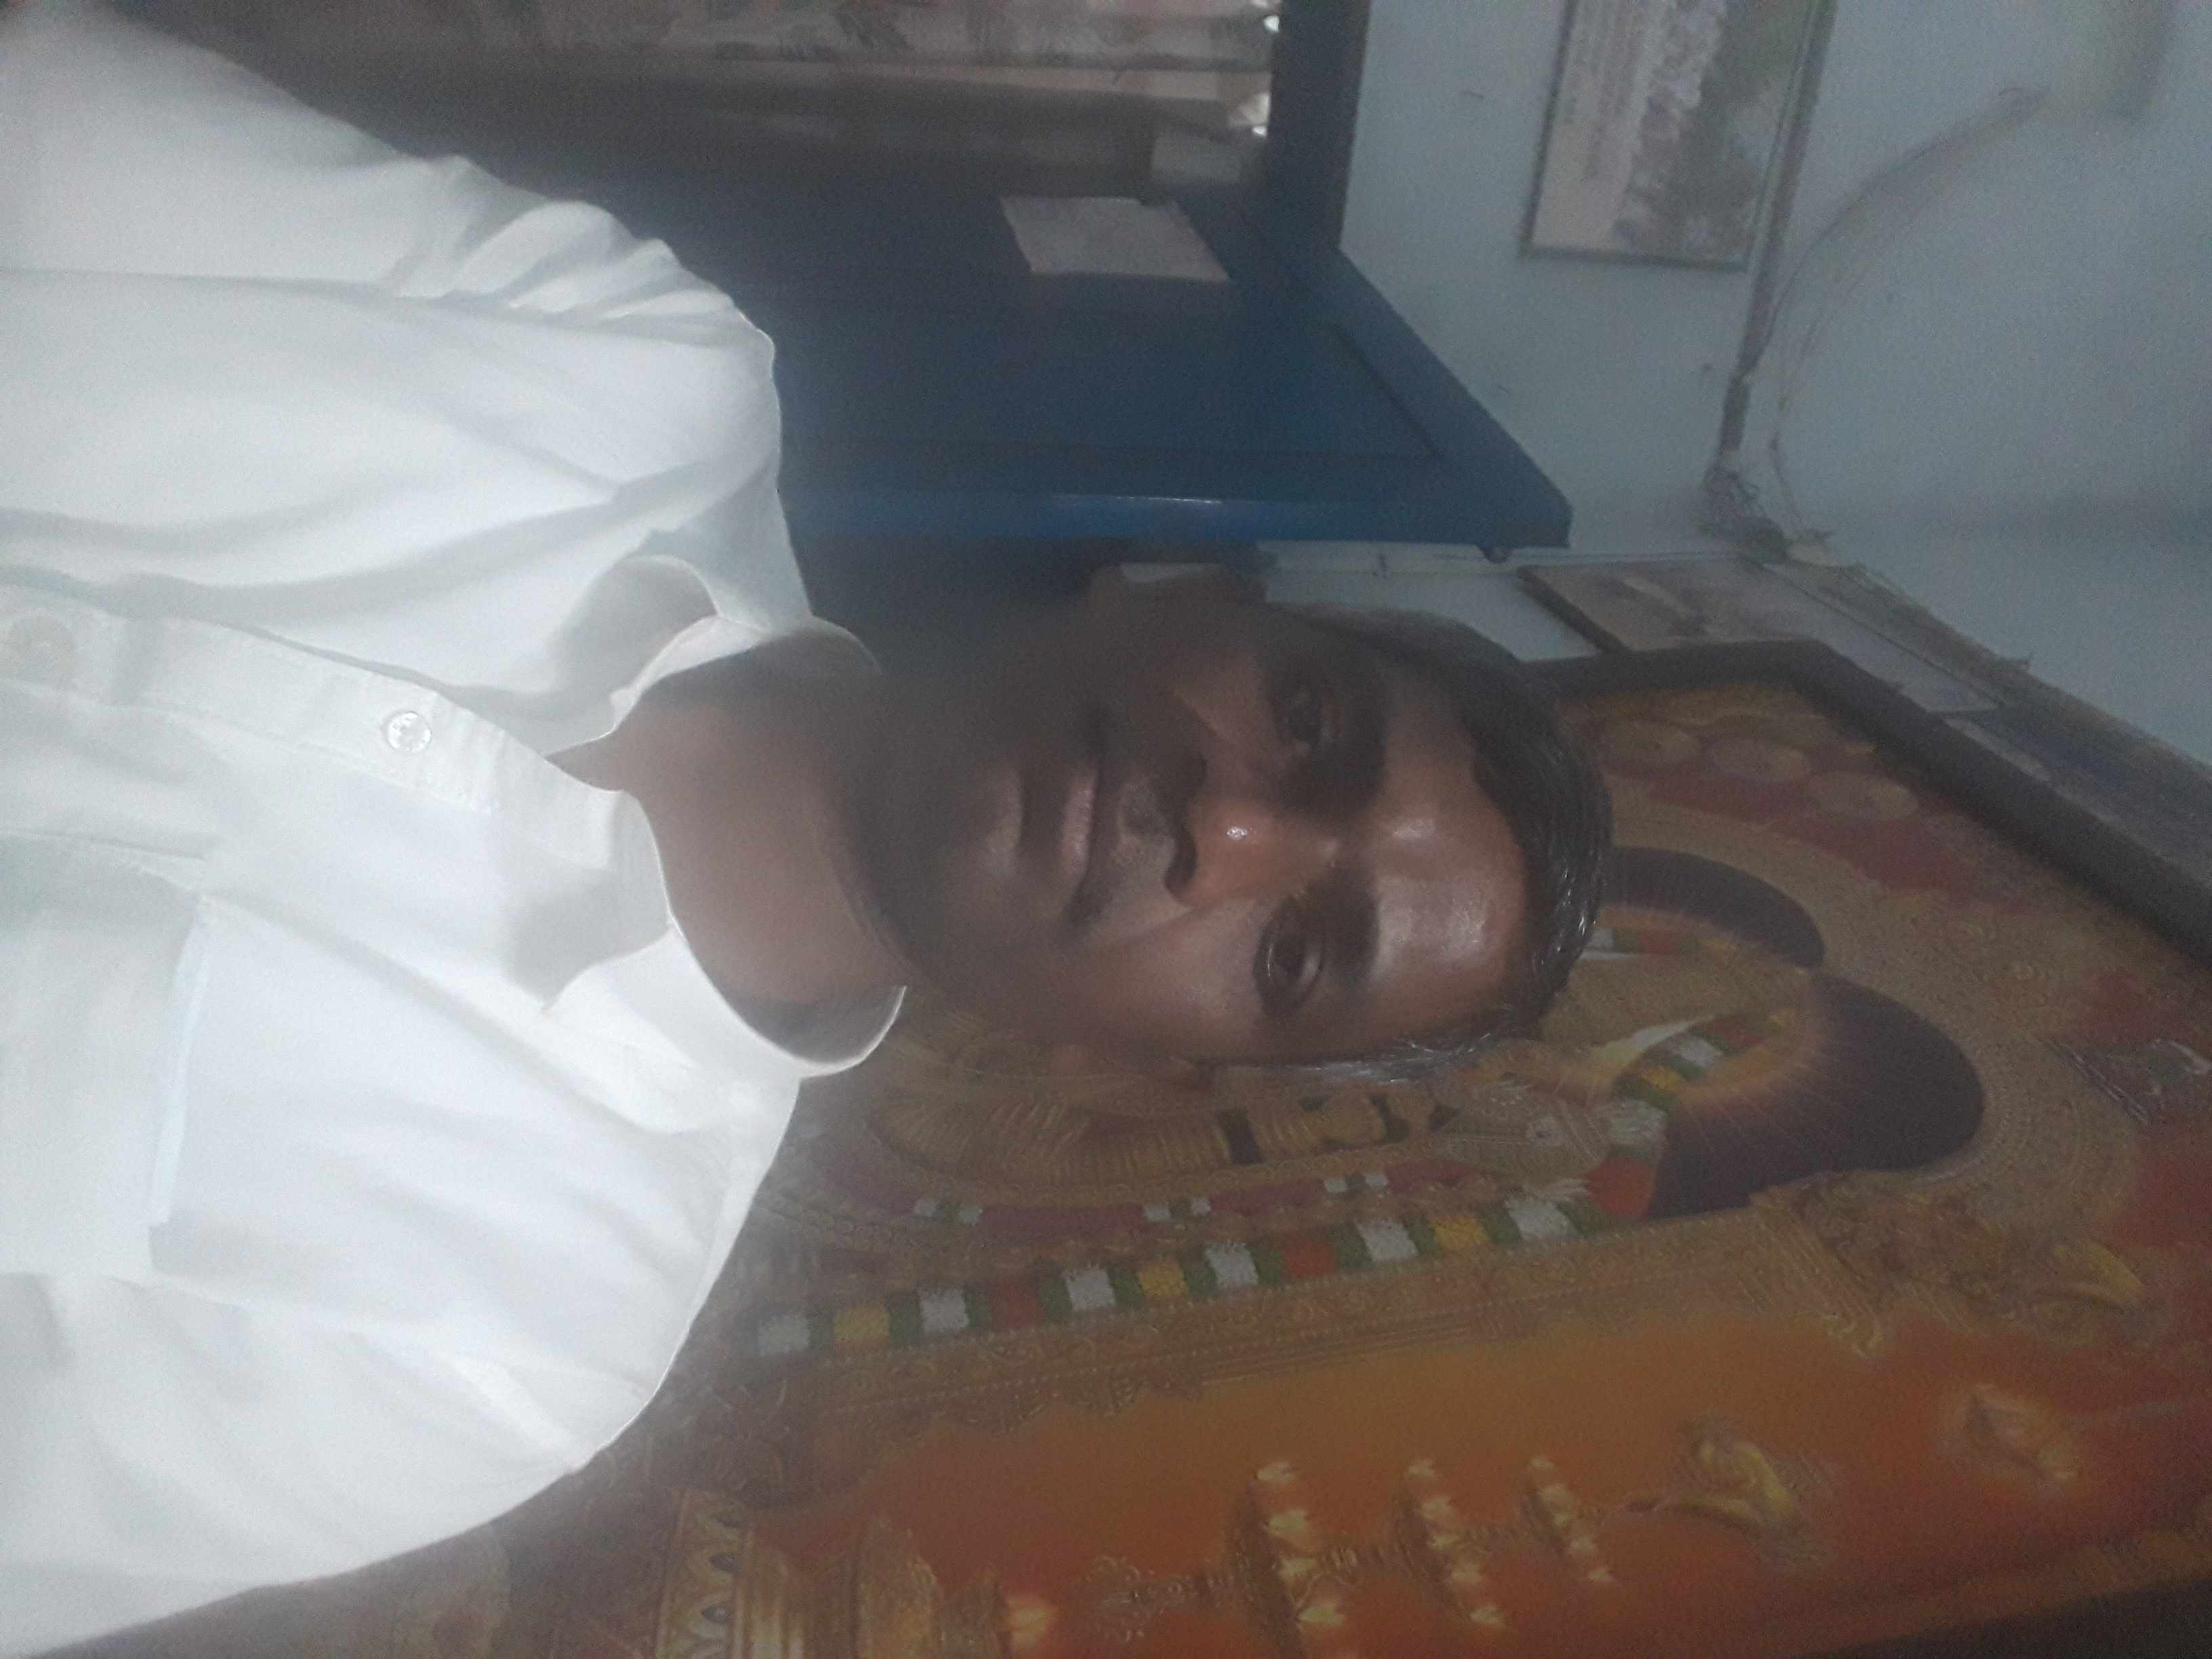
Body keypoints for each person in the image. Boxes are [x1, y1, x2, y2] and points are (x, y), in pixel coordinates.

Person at [0, 3, 1609, 1651]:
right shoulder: (626, 368)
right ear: (1177, 596)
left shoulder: (508, 1337)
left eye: (1291, 953)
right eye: (1310, 726)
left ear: (1138, 1070)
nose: (1229, 830)